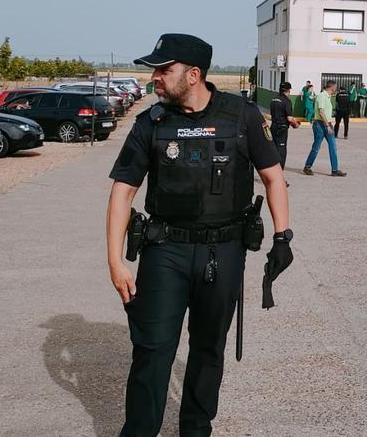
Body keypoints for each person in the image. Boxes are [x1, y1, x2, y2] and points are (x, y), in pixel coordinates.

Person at [105, 33, 293, 437]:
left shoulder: (241, 117)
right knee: (153, 351)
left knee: (208, 350)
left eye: (163, 70)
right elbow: (123, 190)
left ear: (193, 75)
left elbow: (273, 178)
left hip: (222, 252)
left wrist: (283, 237)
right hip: (164, 250)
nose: (154, 77)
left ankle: (195, 429)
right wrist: (115, 260)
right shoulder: (150, 123)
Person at [303, 81, 347, 176]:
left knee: (333, 147)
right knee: (316, 147)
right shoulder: (322, 96)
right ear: (332, 88)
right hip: (320, 124)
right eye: (335, 88)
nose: (336, 90)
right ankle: (307, 166)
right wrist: (327, 125)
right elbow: (321, 112)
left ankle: (334, 170)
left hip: (327, 123)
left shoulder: (328, 96)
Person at [268, 81, 300, 171]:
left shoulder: (273, 99)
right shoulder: (287, 101)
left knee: (273, 150)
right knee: (281, 151)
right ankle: (279, 175)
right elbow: (289, 118)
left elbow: (271, 116)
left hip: (273, 126)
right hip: (282, 128)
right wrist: (296, 124)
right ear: (288, 90)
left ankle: (272, 172)